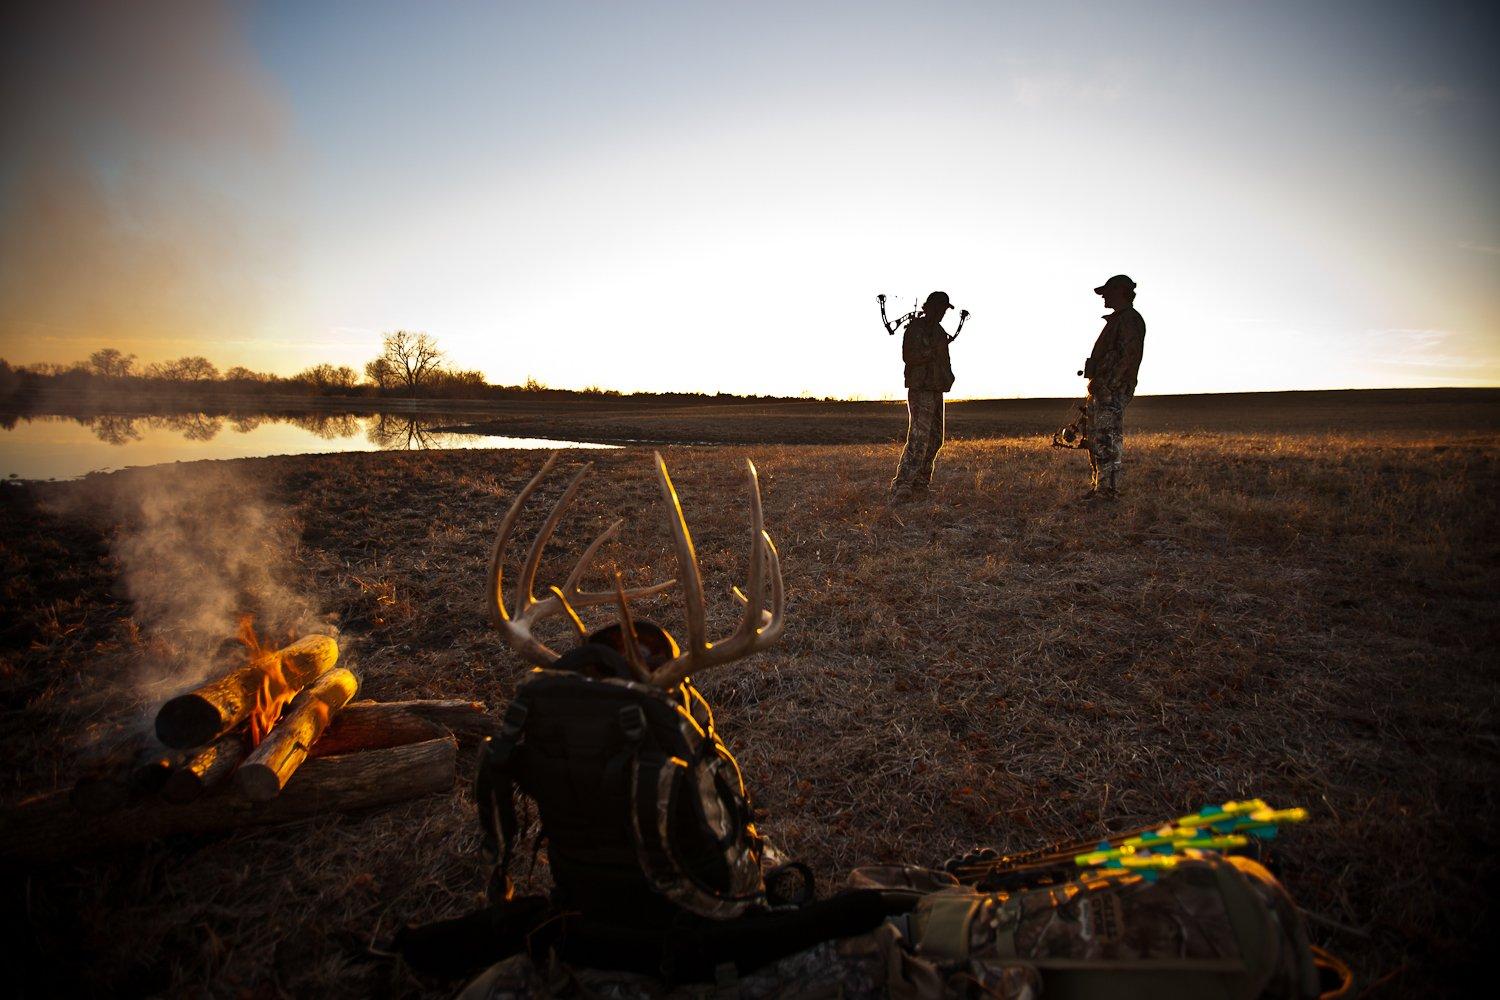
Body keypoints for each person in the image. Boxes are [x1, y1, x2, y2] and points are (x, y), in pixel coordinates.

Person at [887, 290, 966, 501]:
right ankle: (902, 484)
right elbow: (908, 356)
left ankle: (921, 484)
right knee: (918, 438)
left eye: (944, 310)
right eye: (939, 309)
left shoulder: (939, 332)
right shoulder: (915, 328)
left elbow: (945, 360)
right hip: (920, 389)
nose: (942, 314)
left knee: (935, 439)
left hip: (936, 389)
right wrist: (930, 353)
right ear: (929, 307)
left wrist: (948, 377)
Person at [1080, 274, 1146, 499]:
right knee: (1097, 438)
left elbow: (1129, 357)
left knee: (1107, 439)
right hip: (1103, 389)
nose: (1103, 297)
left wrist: (1110, 386)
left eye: (1107, 292)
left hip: (1110, 391)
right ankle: (1100, 487)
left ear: (1119, 292)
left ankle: (1107, 492)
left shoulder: (1129, 320)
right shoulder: (1120, 319)